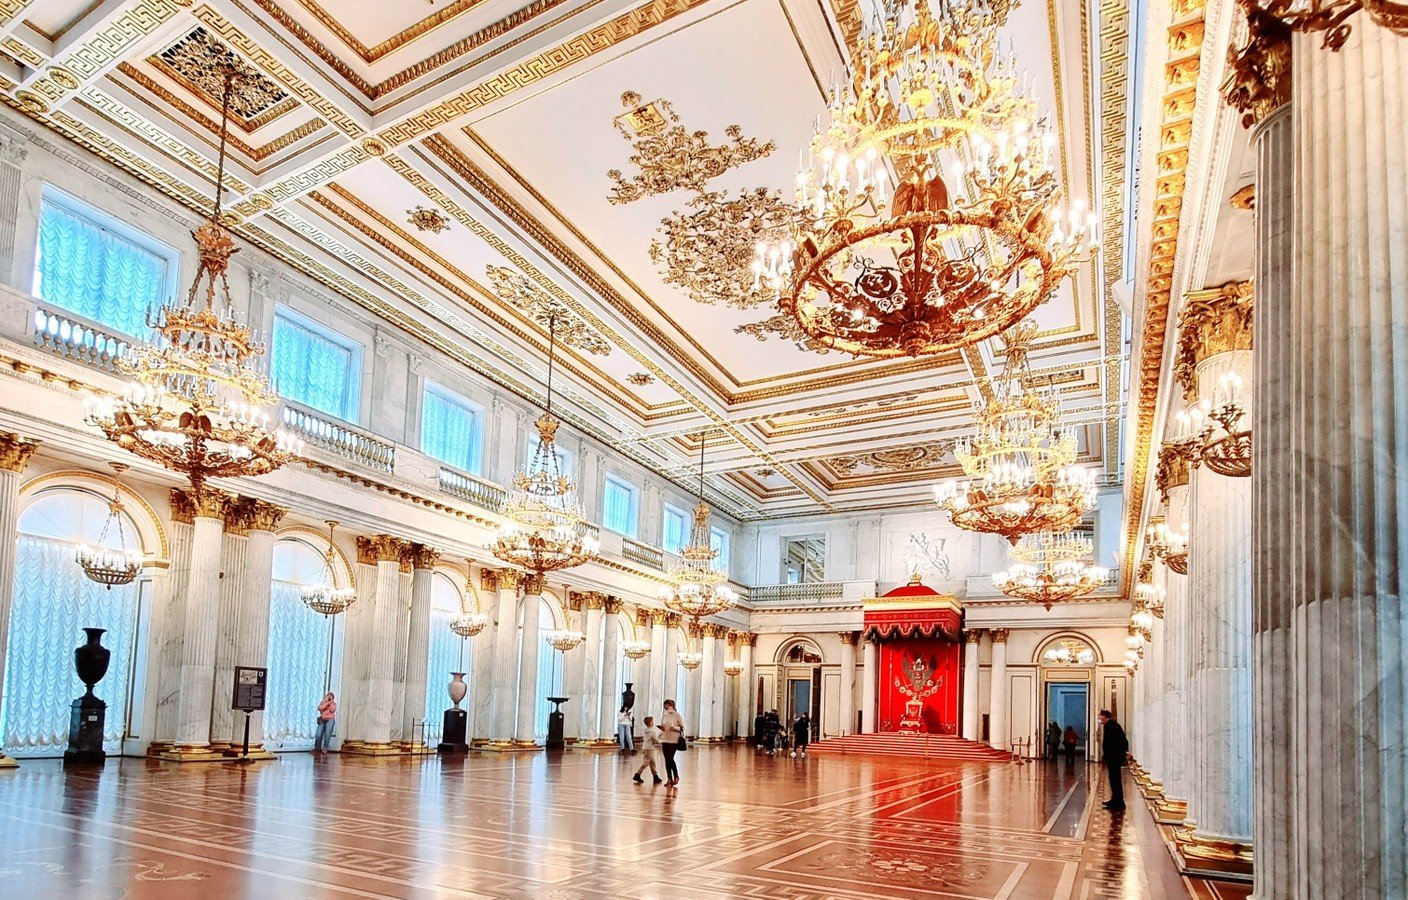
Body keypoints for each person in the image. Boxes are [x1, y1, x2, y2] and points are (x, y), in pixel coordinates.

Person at [1099, 709, 1129, 810]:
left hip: (1113, 758)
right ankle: (1115, 800)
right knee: (1114, 779)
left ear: (1104, 716)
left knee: (1115, 780)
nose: (1100, 718)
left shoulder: (1110, 725)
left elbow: (1110, 743)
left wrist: (1107, 755)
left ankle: (1118, 802)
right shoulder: (1113, 725)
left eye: (1100, 716)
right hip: (1114, 757)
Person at [659, 699, 685, 786]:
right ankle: (669, 778)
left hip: (674, 740)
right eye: (665, 707)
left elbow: (682, 728)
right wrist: (660, 732)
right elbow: (662, 726)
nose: (666, 708)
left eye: (667, 706)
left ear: (671, 706)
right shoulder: (664, 715)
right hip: (665, 739)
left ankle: (676, 775)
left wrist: (674, 727)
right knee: (667, 759)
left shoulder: (677, 715)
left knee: (670, 758)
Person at [632, 716, 663, 784]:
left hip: (646, 748)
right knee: (646, 763)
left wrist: (661, 734)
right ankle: (637, 774)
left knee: (652, 763)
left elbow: (654, 739)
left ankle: (655, 776)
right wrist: (663, 741)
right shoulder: (652, 732)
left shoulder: (646, 730)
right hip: (649, 749)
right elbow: (656, 741)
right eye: (652, 721)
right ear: (650, 723)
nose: (653, 722)